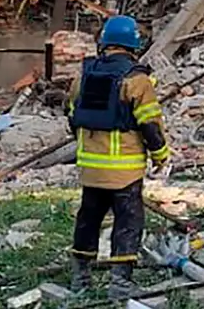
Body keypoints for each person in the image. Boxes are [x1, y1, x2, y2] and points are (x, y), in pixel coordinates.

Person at [67, 15, 171, 298]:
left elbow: (72, 117)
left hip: (90, 169)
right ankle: (120, 283)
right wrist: (161, 156)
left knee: (88, 219)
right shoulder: (137, 81)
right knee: (128, 222)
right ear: (133, 45)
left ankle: (81, 278)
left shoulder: (83, 77)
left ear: (105, 42)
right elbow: (150, 125)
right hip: (125, 171)